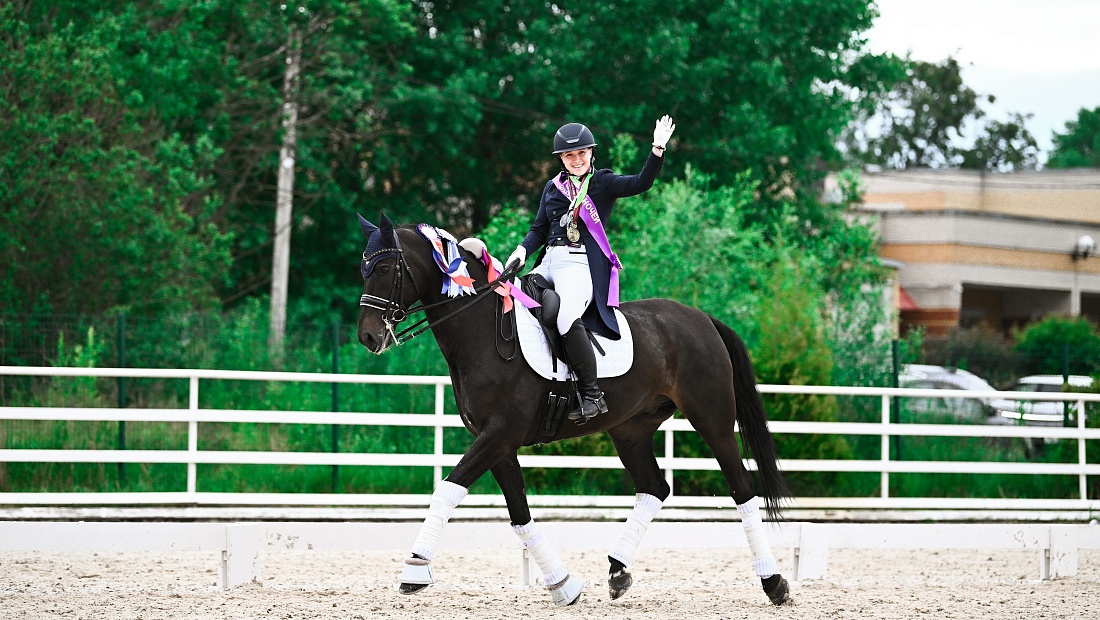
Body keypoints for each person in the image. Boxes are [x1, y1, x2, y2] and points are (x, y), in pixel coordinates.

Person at [507, 115, 676, 422]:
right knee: (515, 300)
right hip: (550, 261)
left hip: (581, 263)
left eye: (581, 153)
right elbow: (538, 229)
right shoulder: (552, 188)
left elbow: (641, 183)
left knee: (566, 315)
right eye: (570, 155)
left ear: (591, 154)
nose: (576, 159)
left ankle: (592, 394)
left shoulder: (603, 182)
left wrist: (657, 149)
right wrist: (521, 251)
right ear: (561, 158)